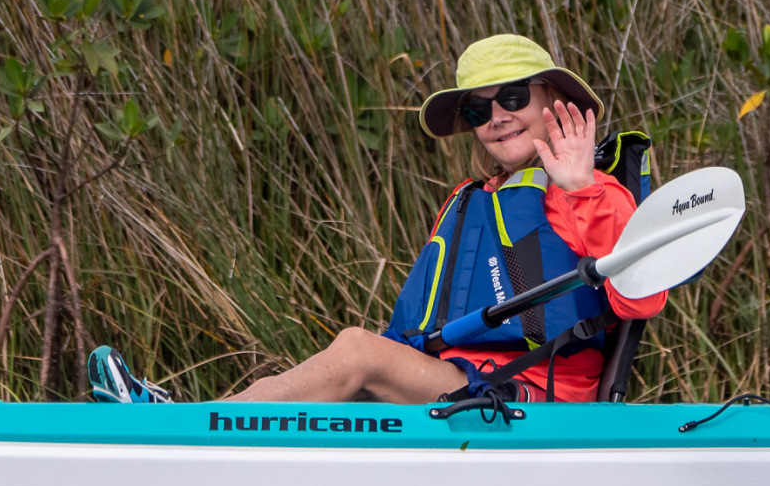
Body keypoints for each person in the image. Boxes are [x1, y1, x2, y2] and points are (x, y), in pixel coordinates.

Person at [88, 33, 666, 404]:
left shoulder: (589, 191)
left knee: (358, 352)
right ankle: (199, 420)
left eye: (513, 98)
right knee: (353, 356)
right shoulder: (472, 200)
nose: (497, 116)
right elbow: (411, 332)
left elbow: (642, 299)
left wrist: (579, 186)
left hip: (530, 396)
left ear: (552, 102)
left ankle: (191, 426)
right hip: (461, 384)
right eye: (477, 108)